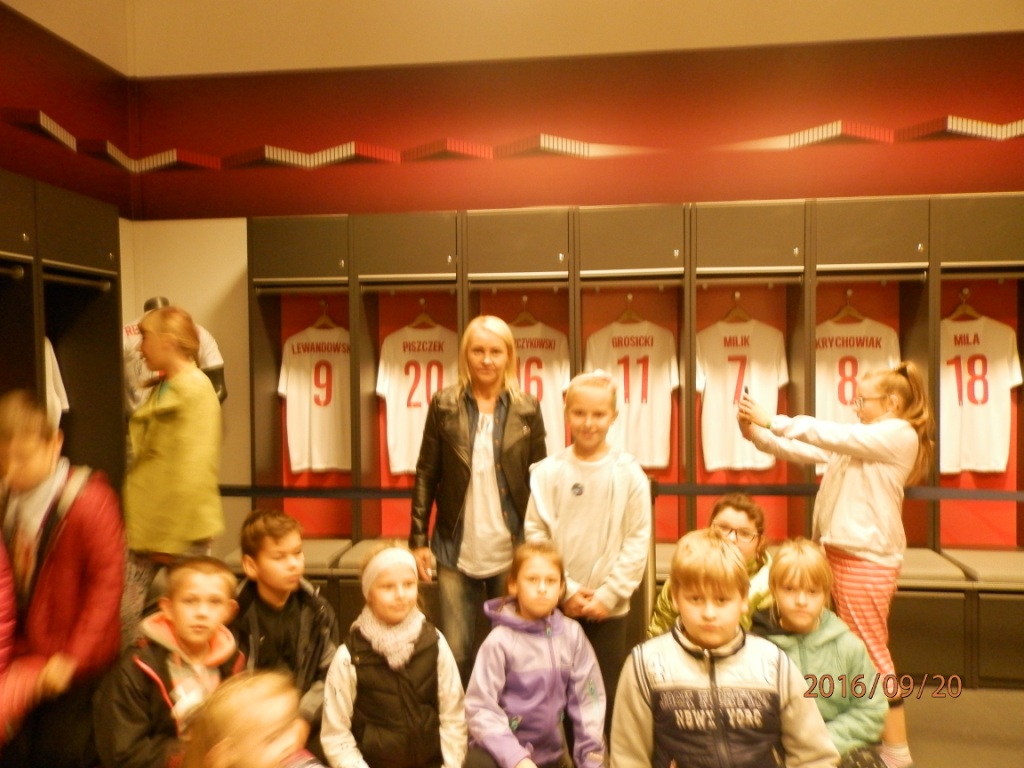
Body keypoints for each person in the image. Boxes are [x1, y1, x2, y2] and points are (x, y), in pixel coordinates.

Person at [738, 361, 933, 768]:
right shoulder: (865, 440)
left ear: (892, 403)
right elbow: (807, 449)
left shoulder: (898, 434)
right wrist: (757, 434)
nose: (856, 407)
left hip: (866, 560)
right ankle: (850, 729)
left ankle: (897, 754)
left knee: (872, 655)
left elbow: (831, 435)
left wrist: (773, 420)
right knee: (842, 649)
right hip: (840, 555)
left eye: (862, 401)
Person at [611, 528, 839, 768]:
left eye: (721, 600)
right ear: (676, 598)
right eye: (696, 599)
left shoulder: (774, 664)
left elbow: (815, 757)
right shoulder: (645, 666)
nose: (709, 613)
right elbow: (628, 759)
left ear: (743, 599)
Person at [410, 315, 547, 682]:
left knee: (512, 649)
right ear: (465, 355)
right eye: (478, 351)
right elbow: (426, 473)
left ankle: (506, 714)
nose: (486, 360)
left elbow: (541, 478)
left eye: (495, 351)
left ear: (509, 356)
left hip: (510, 548)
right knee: (456, 651)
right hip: (455, 548)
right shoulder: (444, 404)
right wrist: (418, 539)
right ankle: (460, 716)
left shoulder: (527, 408)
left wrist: (539, 543)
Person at [0, 389, 124, 768]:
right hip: (26, 656)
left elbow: (107, 586)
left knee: (64, 754)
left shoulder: (90, 499)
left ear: (55, 444)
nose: (11, 469)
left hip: (76, 663)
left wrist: (73, 658)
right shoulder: (7, 498)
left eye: (23, 458)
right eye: (3, 458)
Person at [523, 370, 650, 716]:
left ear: (613, 416)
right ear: (566, 413)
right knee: (556, 698)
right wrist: (565, 590)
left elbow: (637, 540)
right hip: (557, 605)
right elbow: (536, 536)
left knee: (601, 697)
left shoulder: (630, 474)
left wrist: (610, 594)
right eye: (579, 413)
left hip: (609, 610)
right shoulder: (548, 472)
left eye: (598, 414)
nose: (589, 423)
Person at [121, 305, 225, 645]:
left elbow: (192, 470)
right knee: (126, 623)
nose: (140, 348)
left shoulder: (194, 390)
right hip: (150, 526)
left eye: (145, 337)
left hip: (175, 531)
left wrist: (166, 541)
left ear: (168, 341)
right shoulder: (166, 385)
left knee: (193, 624)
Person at [320, 543, 467, 768]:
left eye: (408, 584)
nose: (400, 595)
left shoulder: (434, 642)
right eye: (388, 587)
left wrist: (451, 764)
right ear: (368, 593)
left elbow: (453, 715)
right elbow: (336, 734)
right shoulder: (349, 658)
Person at [465, 540, 605, 768]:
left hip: (553, 757)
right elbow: (480, 708)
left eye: (551, 581)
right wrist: (517, 758)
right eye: (532, 579)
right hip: (504, 757)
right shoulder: (499, 641)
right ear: (513, 585)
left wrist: (592, 760)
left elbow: (590, 703)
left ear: (561, 588)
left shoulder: (572, 635)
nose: (542, 588)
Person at [95, 556, 244, 768]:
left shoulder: (235, 662)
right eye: (190, 601)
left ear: (229, 611)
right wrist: (192, 755)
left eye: (214, 602)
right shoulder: (137, 667)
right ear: (168, 608)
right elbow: (123, 751)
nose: (202, 613)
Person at [752, 538, 887, 768]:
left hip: (835, 747)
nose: (801, 601)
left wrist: (820, 741)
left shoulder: (848, 646)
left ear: (825, 594)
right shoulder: (755, 647)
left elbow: (871, 709)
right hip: (776, 751)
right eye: (790, 589)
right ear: (774, 589)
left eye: (812, 591)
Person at [232, 510, 339, 761]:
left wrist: (303, 719)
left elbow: (331, 673)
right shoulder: (235, 617)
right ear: (251, 566)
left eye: (297, 552)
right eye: (279, 557)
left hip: (307, 722)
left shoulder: (318, 610)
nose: (293, 564)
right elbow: (231, 686)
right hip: (250, 729)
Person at [647, 492, 772, 637]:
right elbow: (659, 633)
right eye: (724, 528)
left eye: (744, 533)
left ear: (759, 543)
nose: (732, 538)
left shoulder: (772, 587)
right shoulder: (685, 574)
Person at [183, 670, 328, 768]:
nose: (291, 741)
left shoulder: (295, 761)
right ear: (223, 757)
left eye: (290, 725)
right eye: (273, 738)